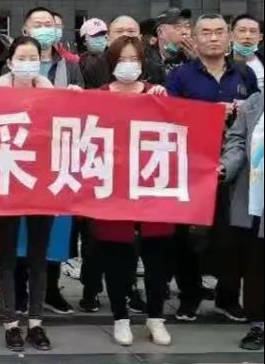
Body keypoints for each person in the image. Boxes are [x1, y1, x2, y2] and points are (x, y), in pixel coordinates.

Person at [167, 13, 260, 324]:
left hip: (237, 165)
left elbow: (255, 116)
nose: (213, 38)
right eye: (205, 33)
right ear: (195, 38)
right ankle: (189, 295)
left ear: (229, 37)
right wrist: (208, 114)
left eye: (219, 32)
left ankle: (227, 297)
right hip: (192, 162)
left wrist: (240, 112)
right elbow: (170, 115)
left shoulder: (244, 73)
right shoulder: (180, 75)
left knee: (232, 234)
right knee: (188, 235)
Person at [93, 36, 173, 347]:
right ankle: (120, 318)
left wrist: (165, 102)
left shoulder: (156, 94)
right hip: (113, 189)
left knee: (158, 257)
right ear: (112, 63)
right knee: (117, 257)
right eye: (122, 60)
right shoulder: (99, 96)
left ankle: (156, 317)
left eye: (134, 59)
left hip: (153, 185)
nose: (128, 65)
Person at [0, 36, 53, 351]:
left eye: (34, 58)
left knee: (38, 257)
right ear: (10, 62)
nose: (28, 63)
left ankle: (37, 323)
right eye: (22, 57)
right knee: (7, 257)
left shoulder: (54, 95)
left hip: (42, 186)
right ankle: (10, 323)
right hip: (5, 182)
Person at [21, 7, 81, 314]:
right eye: (38, 24)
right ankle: (20, 289)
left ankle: (50, 288)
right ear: (25, 29)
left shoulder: (70, 66)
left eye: (49, 24)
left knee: (56, 224)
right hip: (21, 151)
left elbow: (84, 106)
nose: (45, 28)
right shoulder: (16, 61)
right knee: (21, 222)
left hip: (58, 152)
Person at [220, 89, 264, 351]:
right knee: (256, 261)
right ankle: (258, 324)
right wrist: (226, 165)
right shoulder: (254, 103)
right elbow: (236, 140)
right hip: (256, 193)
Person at [145, 8, 192, 84]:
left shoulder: (195, 58)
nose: (184, 32)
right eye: (178, 27)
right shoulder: (146, 60)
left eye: (187, 26)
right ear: (160, 32)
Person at [231, 15, 264, 90]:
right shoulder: (222, 65)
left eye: (253, 31)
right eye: (242, 31)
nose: (247, 36)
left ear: (260, 37)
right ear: (231, 35)